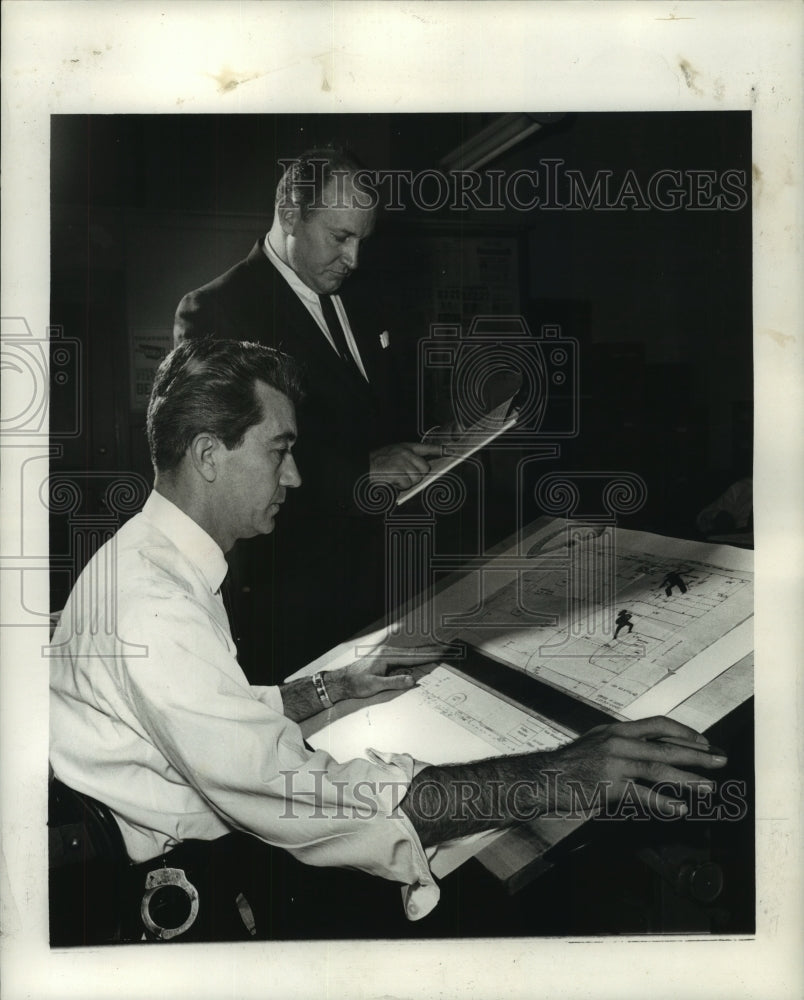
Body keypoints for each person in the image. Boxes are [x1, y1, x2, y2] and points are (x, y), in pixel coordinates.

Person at [50, 339, 727, 943]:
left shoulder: (147, 559)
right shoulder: (155, 604)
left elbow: (201, 715)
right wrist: (560, 774)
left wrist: (333, 688)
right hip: (165, 901)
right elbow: (299, 797)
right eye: (280, 451)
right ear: (207, 455)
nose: (295, 478)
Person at [174, 147, 442, 679]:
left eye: (361, 240)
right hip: (291, 597)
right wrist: (358, 471)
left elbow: (373, 413)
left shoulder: (364, 296)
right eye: (340, 237)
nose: (353, 259)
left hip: (382, 580)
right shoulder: (218, 309)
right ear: (291, 214)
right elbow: (225, 461)